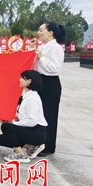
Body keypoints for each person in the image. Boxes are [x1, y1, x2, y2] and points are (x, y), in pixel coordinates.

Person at [30, 22, 66, 156]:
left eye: (41, 30)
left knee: (48, 115)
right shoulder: (43, 46)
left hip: (50, 83)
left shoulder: (56, 48)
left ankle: (48, 146)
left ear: (50, 33)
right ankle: (38, 142)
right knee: (38, 113)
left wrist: (41, 57)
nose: (38, 33)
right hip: (40, 81)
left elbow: (55, 68)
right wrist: (32, 49)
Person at [0, 70, 47, 163]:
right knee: (0, 139)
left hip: (37, 131)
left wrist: (14, 123)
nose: (19, 80)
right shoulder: (26, 95)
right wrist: (9, 120)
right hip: (29, 129)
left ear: (29, 81)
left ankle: (21, 155)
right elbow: (24, 116)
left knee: (6, 127)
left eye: (22, 78)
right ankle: (32, 146)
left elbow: (33, 121)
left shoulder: (32, 99)